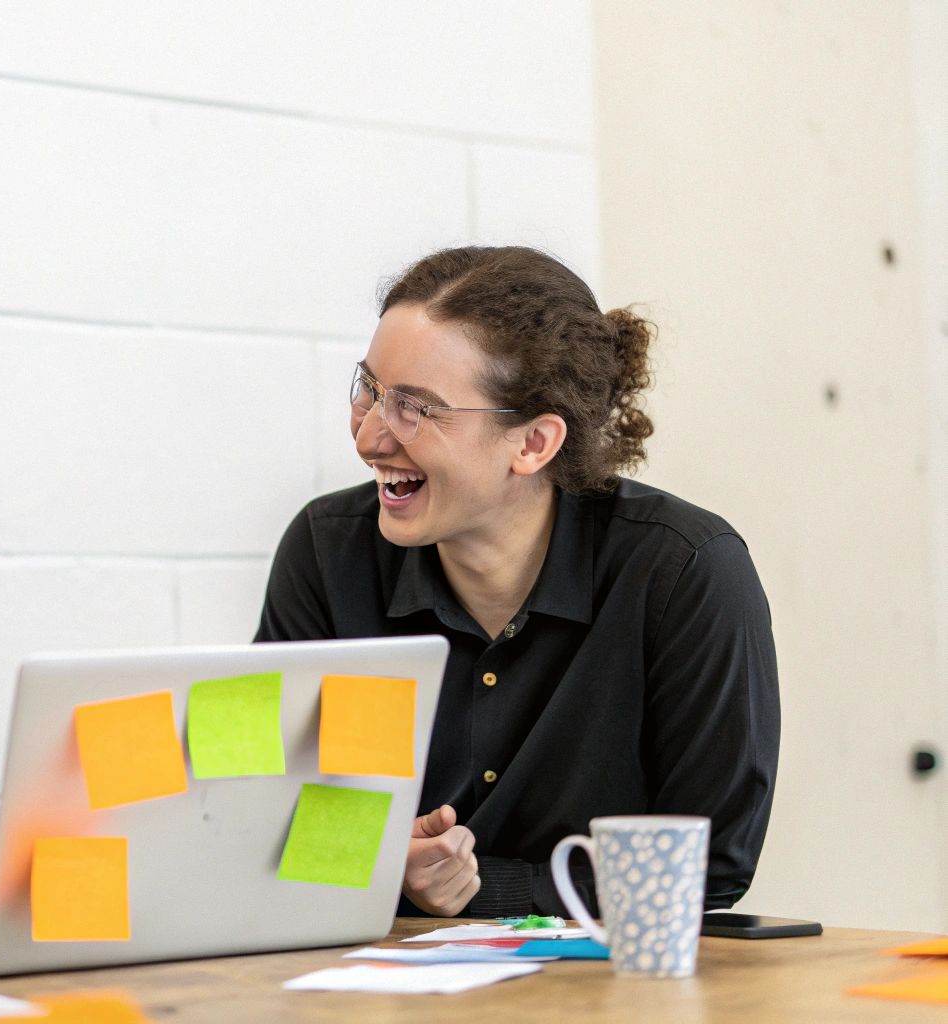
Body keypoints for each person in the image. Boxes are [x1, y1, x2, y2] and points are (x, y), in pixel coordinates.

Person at [255, 246, 778, 918]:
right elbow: (266, 818)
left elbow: (707, 868)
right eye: (371, 389)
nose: (370, 437)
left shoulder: (683, 572)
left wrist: (480, 889)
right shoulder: (327, 553)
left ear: (533, 444)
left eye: (415, 407)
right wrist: (381, 866)